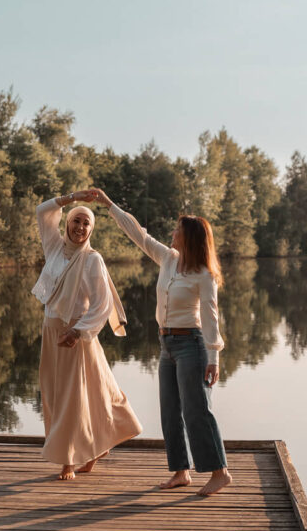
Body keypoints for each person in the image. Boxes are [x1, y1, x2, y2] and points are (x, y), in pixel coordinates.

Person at [90, 187, 232, 496]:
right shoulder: (168, 258)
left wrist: (214, 358)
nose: (172, 233)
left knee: (197, 411)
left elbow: (210, 318)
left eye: (177, 230)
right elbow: (138, 235)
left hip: (192, 345)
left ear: (189, 237)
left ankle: (220, 472)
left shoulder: (204, 275)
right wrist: (108, 204)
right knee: (170, 411)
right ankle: (181, 472)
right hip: (166, 345)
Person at [31, 191, 142, 480]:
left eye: (86, 223)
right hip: (51, 331)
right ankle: (95, 449)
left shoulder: (92, 260)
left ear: (91, 229)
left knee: (73, 398)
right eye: (76, 221)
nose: (80, 227)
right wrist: (74, 197)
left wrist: (78, 332)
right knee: (56, 395)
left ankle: (69, 459)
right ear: (67, 223)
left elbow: (102, 304)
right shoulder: (54, 248)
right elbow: (42, 211)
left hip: (75, 335)